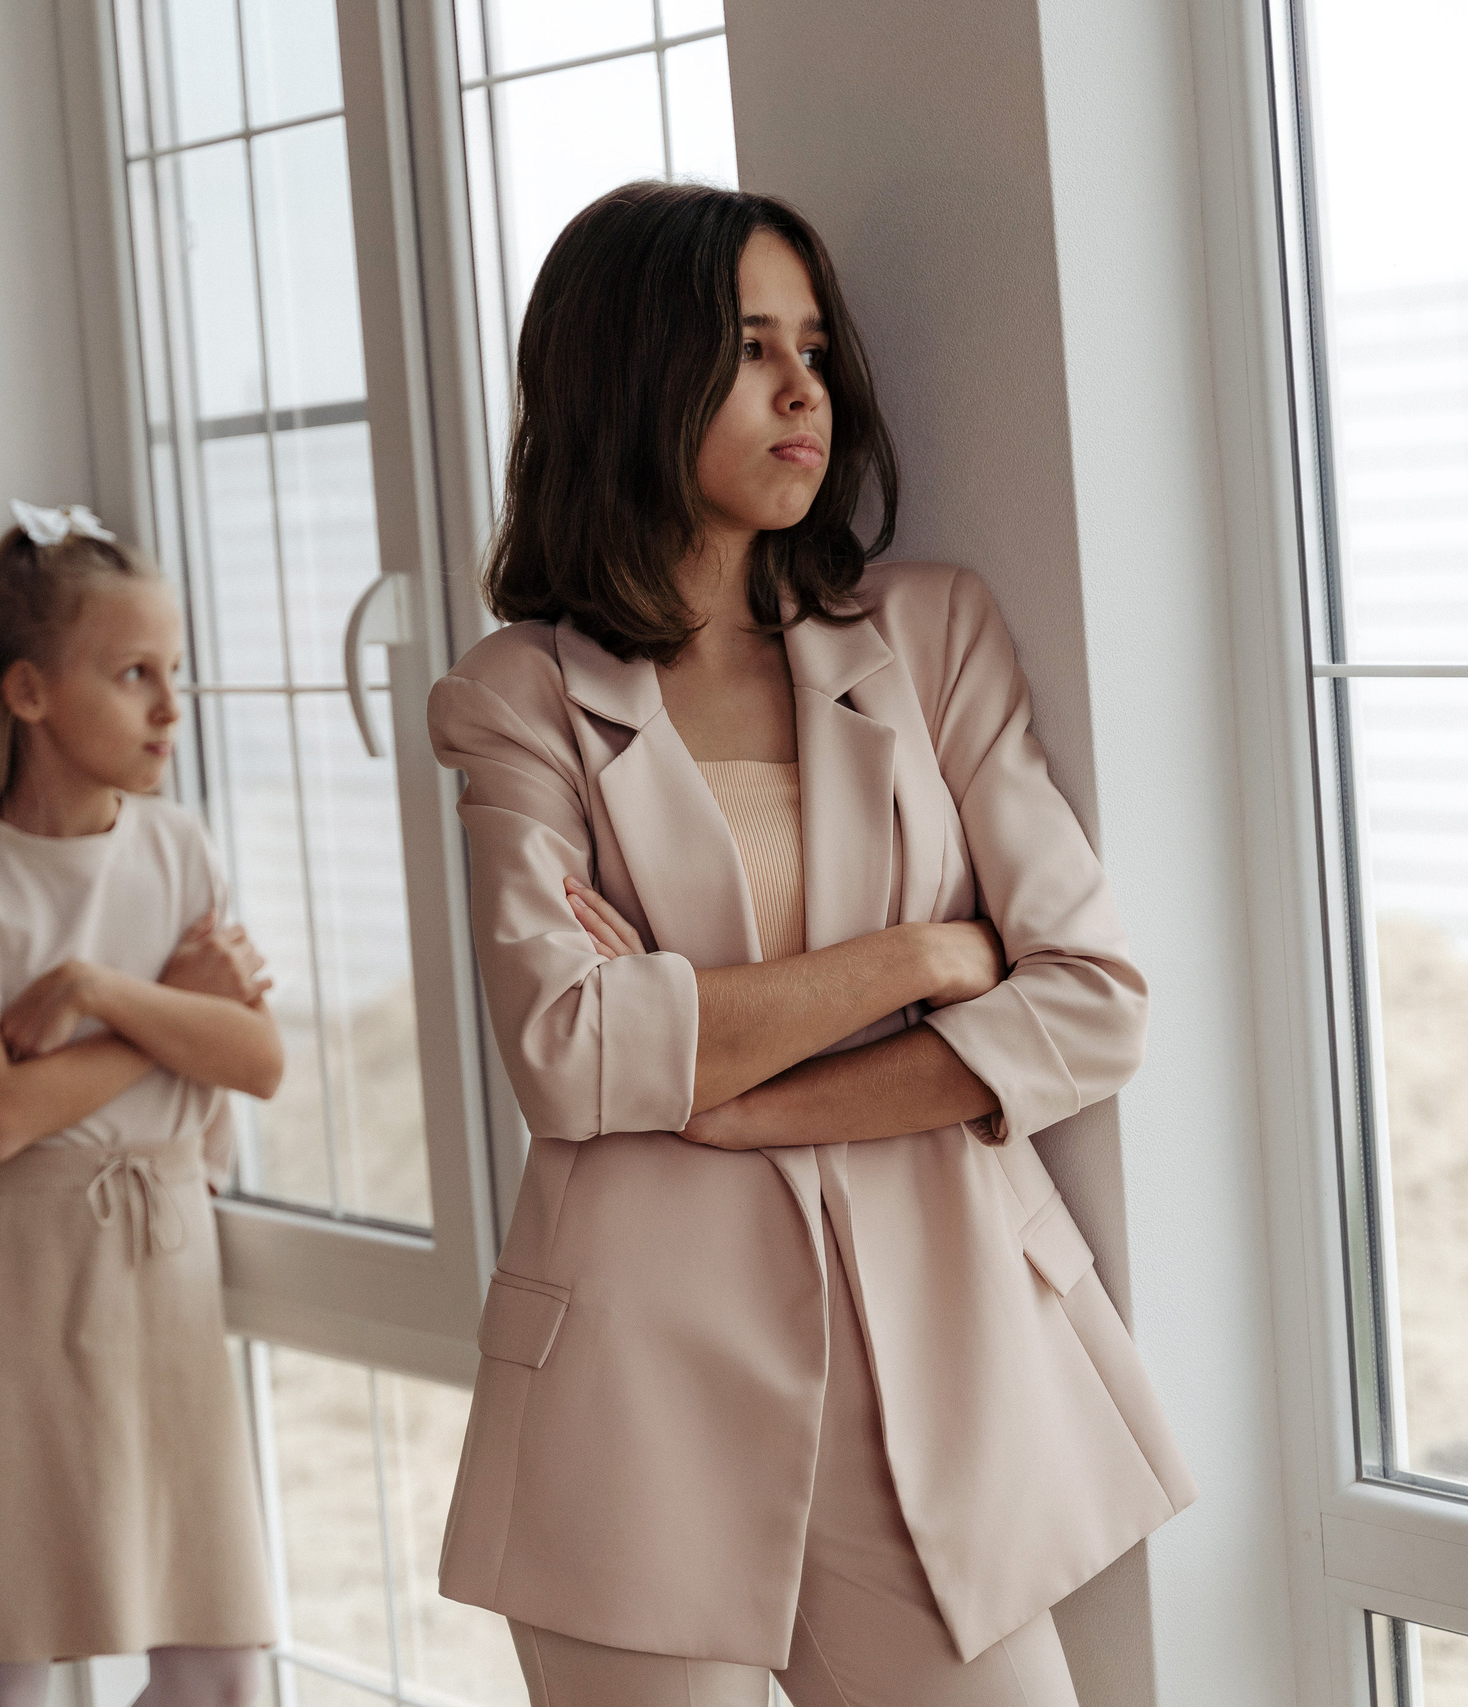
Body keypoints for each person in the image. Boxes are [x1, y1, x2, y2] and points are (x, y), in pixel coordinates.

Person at [431, 182, 1198, 1707]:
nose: (805, 391)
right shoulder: (516, 696)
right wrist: (918, 960)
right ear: (633, 381)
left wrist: (729, 1080)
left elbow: (1093, 1003)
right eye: (747, 350)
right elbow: (572, 1055)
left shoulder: (930, 636)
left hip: (934, 1389)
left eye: (815, 348)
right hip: (636, 1397)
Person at [0, 503, 282, 1707]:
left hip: (166, 1270)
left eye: (178, 674)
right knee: (15, 1667)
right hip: (15, 1281)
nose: (169, 707)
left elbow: (256, 1061)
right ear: (31, 694)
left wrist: (101, 994)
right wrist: (166, 1016)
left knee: (219, 1672)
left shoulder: (180, 850)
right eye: (134, 674)